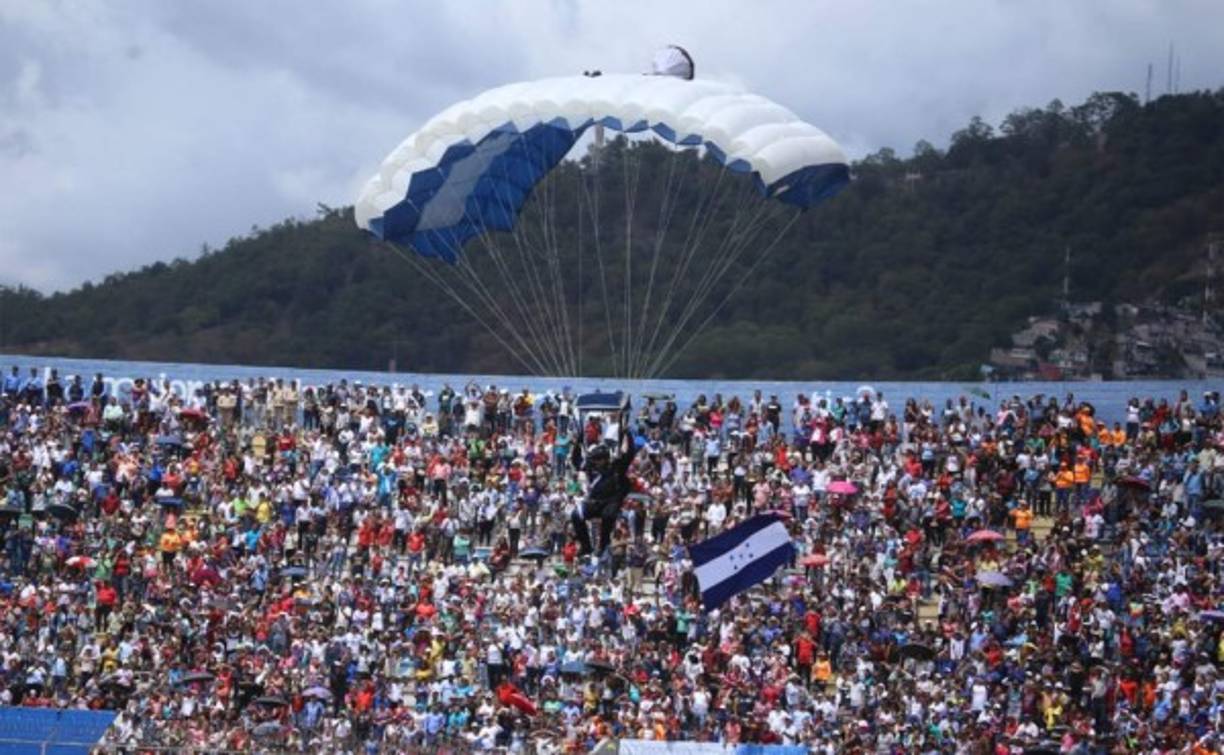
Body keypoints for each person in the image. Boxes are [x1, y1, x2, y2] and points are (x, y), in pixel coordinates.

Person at [571, 406, 635, 558]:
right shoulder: (590, 467)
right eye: (595, 460)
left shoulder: (615, 467)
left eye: (598, 460)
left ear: (605, 459)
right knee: (575, 515)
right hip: (594, 502)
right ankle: (586, 545)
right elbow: (576, 461)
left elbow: (629, 455)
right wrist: (578, 442)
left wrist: (627, 434)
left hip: (610, 502)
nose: (596, 463)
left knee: (608, 515)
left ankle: (602, 544)